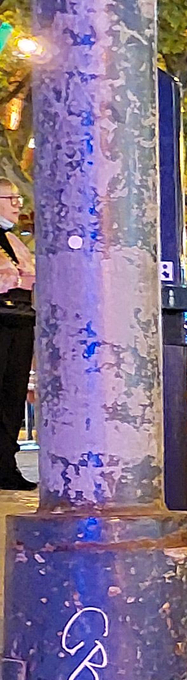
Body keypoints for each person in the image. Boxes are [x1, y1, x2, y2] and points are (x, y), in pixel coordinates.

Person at [0, 188, 32, 492]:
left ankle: (6, 465)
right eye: (9, 199)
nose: (16, 205)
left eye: (18, 199)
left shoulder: (15, 240)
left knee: (12, 397)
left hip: (21, 320)